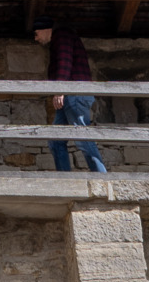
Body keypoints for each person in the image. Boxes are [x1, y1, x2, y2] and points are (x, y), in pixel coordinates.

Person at [33, 24, 108, 173]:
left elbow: (64, 62)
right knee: (55, 141)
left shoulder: (62, 35)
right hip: (69, 96)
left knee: (82, 137)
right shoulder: (60, 39)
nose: (36, 38)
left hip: (74, 94)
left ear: (45, 28)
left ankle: (102, 177)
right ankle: (64, 178)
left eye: (36, 33)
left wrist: (60, 89)